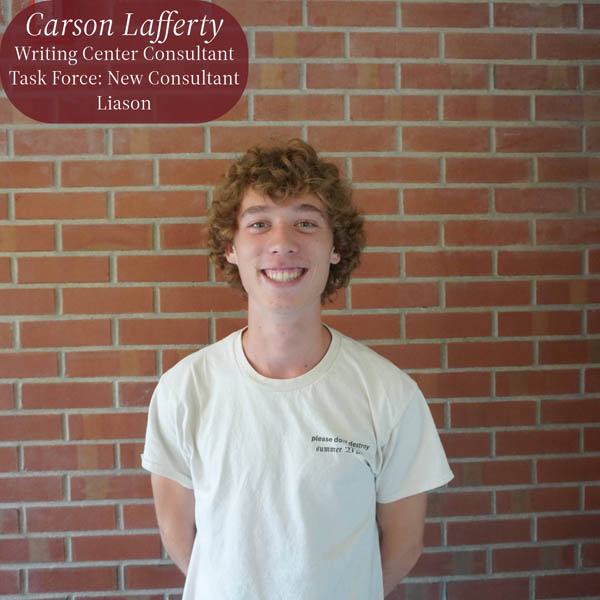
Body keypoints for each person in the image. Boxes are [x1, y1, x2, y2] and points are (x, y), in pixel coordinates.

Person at [141, 139, 453, 599]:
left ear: (334, 247)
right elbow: (180, 538)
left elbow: (403, 547)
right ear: (231, 247)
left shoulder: (388, 393)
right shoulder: (184, 390)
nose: (282, 243)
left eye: (306, 223)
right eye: (259, 224)